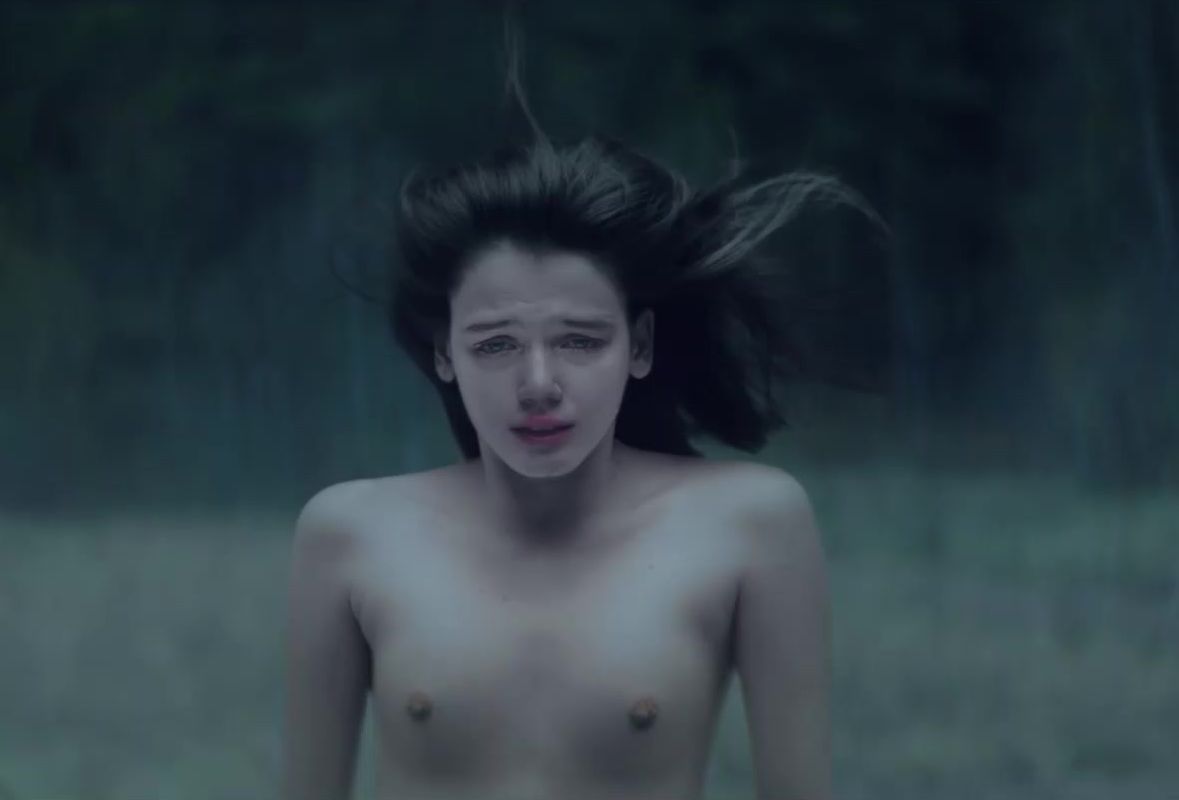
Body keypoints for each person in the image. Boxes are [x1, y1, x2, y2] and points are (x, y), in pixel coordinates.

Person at [281, 24, 886, 800]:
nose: (538, 383)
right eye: (496, 345)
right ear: (444, 353)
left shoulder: (750, 524)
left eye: (578, 340)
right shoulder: (351, 535)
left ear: (638, 345)